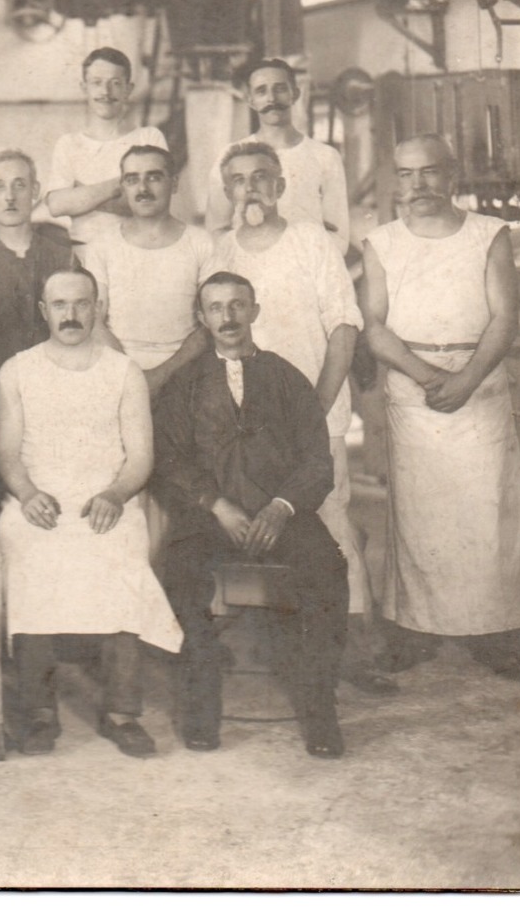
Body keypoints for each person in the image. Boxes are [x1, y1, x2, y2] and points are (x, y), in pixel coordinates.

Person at [362, 134, 520, 678]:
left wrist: (466, 379)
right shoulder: (382, 241)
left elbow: (505, 318)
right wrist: (425, 376)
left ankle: (496, 631)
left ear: (452, 175)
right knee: (418, 516)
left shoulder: (489, 235)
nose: (418, 185)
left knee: (487, 511)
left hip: (480, 385)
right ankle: (416, 629)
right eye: (406, 174)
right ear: (396, 180)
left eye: (429, 172)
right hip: (412, 388)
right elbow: (374, 326)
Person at [208, 141, 389, 694]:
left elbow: (343, 324)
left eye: (262, 177)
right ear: (228, 192)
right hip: (245, 428)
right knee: (250, 522)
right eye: (239, 180)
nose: (251, 188)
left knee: (332, 524)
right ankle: (253, 637)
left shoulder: (311, 241)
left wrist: (314, 406)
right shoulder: (220, 251)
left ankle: (354, 647)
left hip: (317, 410)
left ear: (281, 185)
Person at [153, 272, 349, 758]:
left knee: (328, 569)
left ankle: (321, 709)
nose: (228, 317)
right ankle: (203, 704)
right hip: (209, 516)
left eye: (238, 305)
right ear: (202, 318)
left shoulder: (285, 376)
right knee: (178, 570)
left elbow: (316, 460)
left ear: (255, 311)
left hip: (280, 513)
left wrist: (281, 508)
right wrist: (215, 505)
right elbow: (169, 459)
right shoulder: (186, 384)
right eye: (216, 308)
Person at [0, 268, 181, 757]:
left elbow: (141, 457)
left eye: (81, 304)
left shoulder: (124, 371)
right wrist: (28, 493)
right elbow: (8, 455)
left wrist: (116, 495)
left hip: (106, 498)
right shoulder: (17, 370)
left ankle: (122, 710)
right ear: (43, 311)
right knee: (27, 560)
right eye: (60, 305)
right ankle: (38, 711)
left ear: (98, 308)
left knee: (123, 558)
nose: (71, 314)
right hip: (39, 500)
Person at [0, 150, 93, 398]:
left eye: (19, 185)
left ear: (35, 191)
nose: (10, 197)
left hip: (59, 391)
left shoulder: (63, 258)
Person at [80, 144, 211, 396]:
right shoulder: (102, 245)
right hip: (116, 375)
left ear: (173, 183)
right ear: (123, 187)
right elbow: (94, 321)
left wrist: (160, 376)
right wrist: (134, 379)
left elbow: (208, 325)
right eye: (132, 179)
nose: (142, 189)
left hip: (185, 375)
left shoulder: (201, 243)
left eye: (153, 177)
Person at [204, 59, 350, 254]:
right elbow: (216, 231)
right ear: (251, 100)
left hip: (307, 268)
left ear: (295, 94)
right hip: (251, 270)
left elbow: (339, 237)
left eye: (280, 89)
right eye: (261, 91)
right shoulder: (231, 157)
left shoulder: (326, 157)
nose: (271, 99)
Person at [43, 47, 169, 246]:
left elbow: (155, 202)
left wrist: (80, 195)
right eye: (97, 83)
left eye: (115, 83)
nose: (105, 92)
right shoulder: (68, 143)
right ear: (84, 88)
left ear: (128, 89)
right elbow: (57, 205)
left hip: (137, 250)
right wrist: (123, 184)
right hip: (84, 253)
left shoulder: (148, 137)